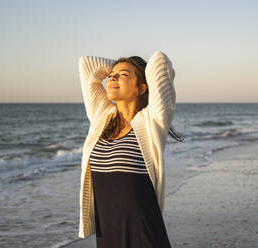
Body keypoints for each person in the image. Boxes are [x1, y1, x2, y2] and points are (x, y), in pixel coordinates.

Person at [77, 50, 183, 247]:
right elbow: (87, 66)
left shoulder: (153, 121)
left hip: (145, 236)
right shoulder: (101, 117)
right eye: (111, 75)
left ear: (142, 88)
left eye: (123, 75)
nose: (112, 78)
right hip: (108, 236)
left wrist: (130, 65)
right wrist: (121, 67)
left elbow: (159, 62)